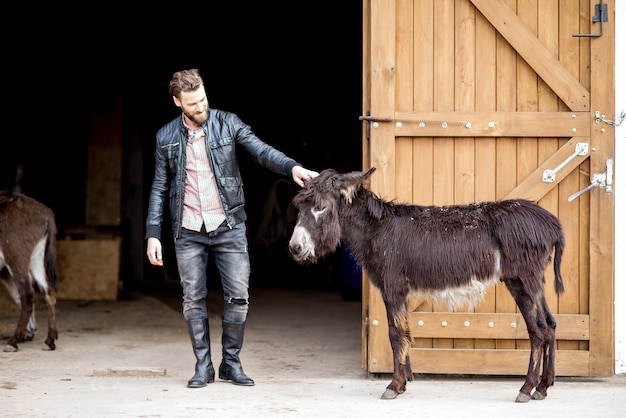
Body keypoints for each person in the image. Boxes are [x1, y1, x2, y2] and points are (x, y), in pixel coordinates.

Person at [145, 68, 318, 388]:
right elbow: (159, 187)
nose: (201, 108)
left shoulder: (228, 122)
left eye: (203, 99)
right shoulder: (165, 137)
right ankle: (203, 366)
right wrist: (153, 233)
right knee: (192, 299)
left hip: (229, 226)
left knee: (239, 297)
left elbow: (261, 151)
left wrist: (291, 166)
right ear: (176, 102)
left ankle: (231, 363)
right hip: (188, 230)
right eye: (193, 104)